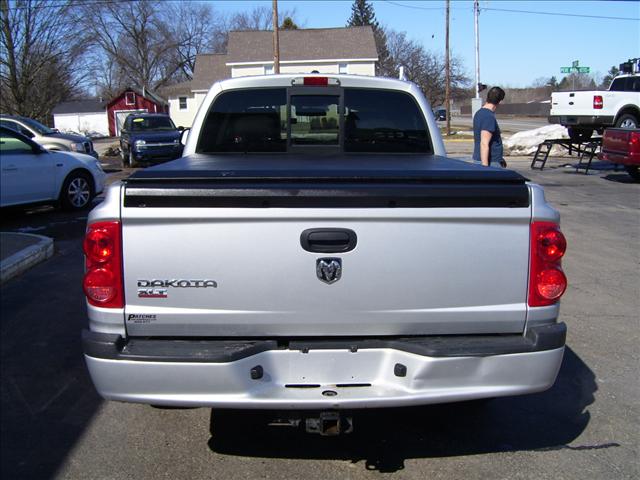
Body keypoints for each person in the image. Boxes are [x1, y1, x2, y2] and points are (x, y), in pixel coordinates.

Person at [472, 86, 507, 168]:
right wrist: (485, 169)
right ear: (500, 101)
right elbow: (484, 143)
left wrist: (500, 158)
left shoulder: (479, 113)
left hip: (485, 160)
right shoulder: (488, 116)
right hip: (490, 163)